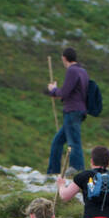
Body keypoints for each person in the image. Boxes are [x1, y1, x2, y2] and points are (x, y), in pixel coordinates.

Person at [44, 46, 89, 176]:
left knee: (74, 141)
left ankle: (77, 169)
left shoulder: (72, 71)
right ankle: (53, 171)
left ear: (64, 58)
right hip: (80, 110)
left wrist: (53, 90)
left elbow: (65, 92)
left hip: (72, 111)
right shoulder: (83, 71)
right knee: (57, 141)